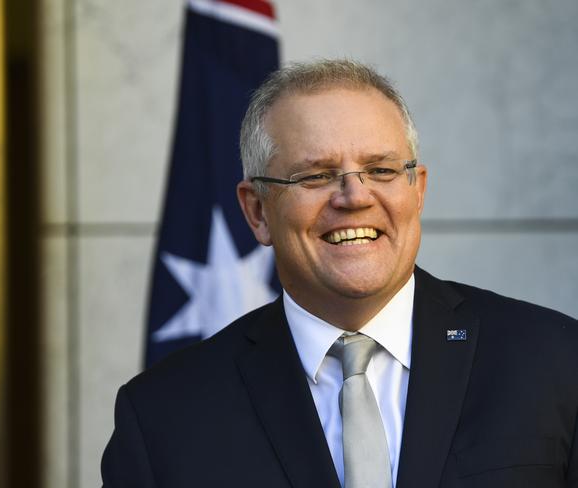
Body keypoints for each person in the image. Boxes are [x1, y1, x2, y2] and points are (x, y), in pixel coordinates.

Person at [101, 59, 578, 488]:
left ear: (418, 191)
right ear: (257, 212)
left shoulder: (555, 362)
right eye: (315, 176)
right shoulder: (164, 416)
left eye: (382, 170)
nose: (354, 197)